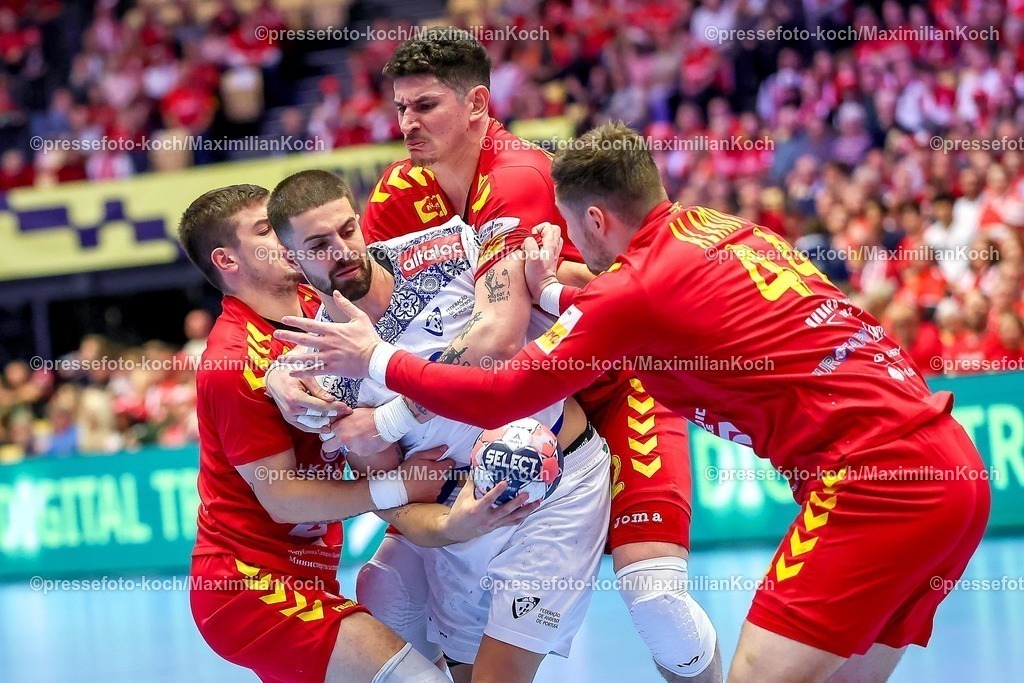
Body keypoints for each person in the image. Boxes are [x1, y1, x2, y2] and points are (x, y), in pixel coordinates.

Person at [274, 123, 992, 683]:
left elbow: (508, 386)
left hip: (871, 488)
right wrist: (547, 286)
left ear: (593, 219)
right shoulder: (715, 228)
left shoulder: (635, 289)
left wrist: (377, 362)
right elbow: (632, 306)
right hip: (952, 469)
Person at [267, 28, 721, 682]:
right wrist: (292, 365)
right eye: (400, 108)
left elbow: (495, 340)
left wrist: (389, 420)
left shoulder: (516, 177)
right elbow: (355, 286)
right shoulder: (402, 189)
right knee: (386, 593)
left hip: (614, 387)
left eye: (425, 105)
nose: (407, 123)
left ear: (478, 104)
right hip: (498, 415)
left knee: (657, 603)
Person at [265, 169, 611, 683]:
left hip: (559, 489)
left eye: (347, 230)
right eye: (319, 244)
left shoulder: (448, 244)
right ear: (292, 259)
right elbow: (399, 503)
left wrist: (390, 415)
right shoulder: (320, 370)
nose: (342, 250)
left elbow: (498, 341)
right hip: (462, 523)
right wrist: (453, 527)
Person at [178, 184, 458, 683]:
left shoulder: (321, 302)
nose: (285, 237)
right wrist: (400, 486)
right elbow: (284, 500)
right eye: (265, 230)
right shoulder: (231, 359)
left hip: (313, 575)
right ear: (227, 258)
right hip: (247, 587)